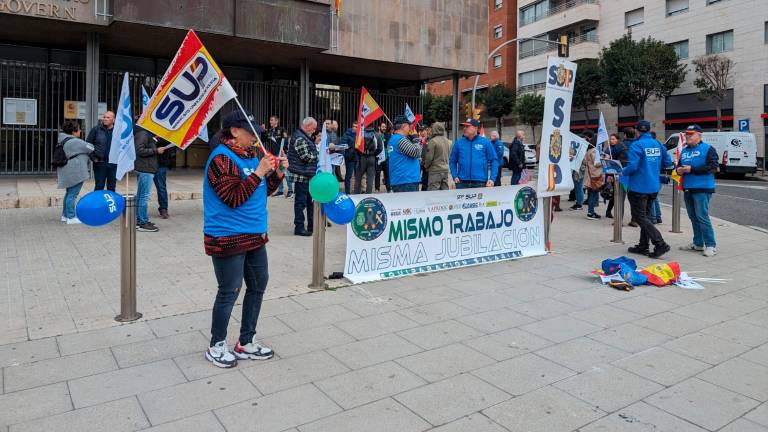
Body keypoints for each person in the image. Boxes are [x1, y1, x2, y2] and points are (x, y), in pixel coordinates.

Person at [203, 110, 287, 368]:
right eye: (251, 132)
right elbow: (233, 197)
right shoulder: (220, 158)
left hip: (255, 235)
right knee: (229, 290)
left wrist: (277, 174)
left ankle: (246, 341)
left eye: (257, 133)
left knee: (258, 285)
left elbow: (262, 191)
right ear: (234, 131)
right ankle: (217, 344)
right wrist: (260, 172)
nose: (256, 138)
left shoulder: (253, 155)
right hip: (228, 236)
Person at [622, 120, 674, 258]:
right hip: (653, 186)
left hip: (638, 186)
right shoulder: (657, 144)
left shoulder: (636, 145)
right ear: (649, 130)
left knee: (640, 217)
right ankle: (643, 245)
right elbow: (668, 163)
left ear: (637, 131)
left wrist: (622, 172)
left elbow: (633, 166)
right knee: (646, 217)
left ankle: (660, 243)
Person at [677, 124, 719, 257]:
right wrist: (678, 170)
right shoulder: (684, 150)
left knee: (702, 217)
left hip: (703, 188)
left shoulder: (708, 149)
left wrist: (692, 169)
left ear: (699, 135)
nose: (687, 136)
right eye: (686, 134)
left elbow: (713, 167)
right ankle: (698, 243)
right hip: (688, 187)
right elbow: (679, 166)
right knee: (693, 217)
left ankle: (711, 245)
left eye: (691, 134)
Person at [56, 120, 94, 224]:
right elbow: (90, 148)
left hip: (68, 171)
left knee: (68, 194)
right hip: (75, 172)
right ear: (73, 131)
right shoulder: (75, 141)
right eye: (78, 129)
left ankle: (65, 215)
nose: (80, 131)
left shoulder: (63, 140)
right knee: (73, 195)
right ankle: (71, 217)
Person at [287, 117, 319, 236]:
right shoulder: (300, 138)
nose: (314, 130)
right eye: (313, 128)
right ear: (307, 126)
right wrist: (318, 156)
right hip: (302, 175)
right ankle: (299, 227)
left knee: (309, 202)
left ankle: (311, 226)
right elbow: (305, 156)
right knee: (300, 203)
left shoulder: (304, 137)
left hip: (306, 174)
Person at [450, 119, 498, 189]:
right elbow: (452, 161)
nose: (464, 128)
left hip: (480, 182)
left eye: (467, 126)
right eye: (464, 126)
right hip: (462, 182)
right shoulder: (458, 143)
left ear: (475, 128)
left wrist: (492, 179)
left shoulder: (485, 142)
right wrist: (454, 175)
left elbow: (494, 160)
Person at [133, 125, 164, 232]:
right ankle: (142, 222)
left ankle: (140, 220)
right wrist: (156, 150)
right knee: (144, 196)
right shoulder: (143, 134)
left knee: (141, 195)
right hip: (145, 169)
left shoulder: (147, 135)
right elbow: (139, 150)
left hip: (146, 168)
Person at [387, 115, 422, 192]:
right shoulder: (400, 139)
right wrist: (416, 138)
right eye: (409, 126)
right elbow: (416, 152)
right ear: (404, 126)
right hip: (407, 181)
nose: (410, 128)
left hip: (401, 180)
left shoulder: (393, 139)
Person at [261, 115, 291, 197]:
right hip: (273, 154)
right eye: (270, 120)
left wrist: (283, 151)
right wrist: (263, 131)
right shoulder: (270, 131)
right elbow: (263, 140)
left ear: (276, 121)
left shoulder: (281, 130)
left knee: (284, 171)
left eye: (272, 120)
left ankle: (290, 191)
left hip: (280, 154)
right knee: (277, 171)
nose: (270, 122)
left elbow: (285, 140)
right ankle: (280, 190)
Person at [87, 111, 116, 191]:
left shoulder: (117, 131)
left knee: (112, 187)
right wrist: (94, 158)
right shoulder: (96, 130)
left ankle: (110, 203)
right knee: (99, 187)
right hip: (100, 163)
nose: (105, 119)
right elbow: (88, 145)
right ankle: (98, 203)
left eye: (108, 117)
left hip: (113, 164)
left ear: (113, 120)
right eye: (104, 117)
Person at [423, 122, 452, 190]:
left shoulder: (433, 141)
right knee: (444, 191)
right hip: (445, 169)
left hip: (435, 170)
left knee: (433, 192)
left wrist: (426, 166)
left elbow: (429, 158)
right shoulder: (448, 141)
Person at [354, 125, 382, 194]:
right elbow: (380, 148)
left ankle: (357, 194)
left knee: (358, 178)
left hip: (362, 158)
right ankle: (368, 194)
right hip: (372, 158)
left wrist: (360, 153)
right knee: (370, 178)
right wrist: (374, 154)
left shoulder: (360, 134)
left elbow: (356, 147)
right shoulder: (377, 135)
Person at [153, 136, 175, 219]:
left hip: (160, 164)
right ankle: (140, 211)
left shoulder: (165, 130)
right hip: (146, 163)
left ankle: (163, 209)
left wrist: (155, 140)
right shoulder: (147, 129)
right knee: (143, 190)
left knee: (161, 187)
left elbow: (168, 141)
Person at [583, 140, 605, 219]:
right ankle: (590, 213)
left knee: (592, 194)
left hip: (591, 175)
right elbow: (597, 163)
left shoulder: (589, 150)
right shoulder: (594, 151)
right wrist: (605, 159)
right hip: (595, 176)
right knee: (593, 194)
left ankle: (591, 211)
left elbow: (585, 162)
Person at [605, 133, 624, 218]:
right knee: (613, 193)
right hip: (611, 174)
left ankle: (611, 212)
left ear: (617, 140)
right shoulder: (608, 149)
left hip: (620, 173)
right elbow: (606, 162)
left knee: (619, 194)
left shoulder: (620, 148)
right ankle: (608, 211)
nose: (611, 141)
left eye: (613, 139)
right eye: (610, 139)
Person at [339, 122, 358, 193]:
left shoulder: (359, 135)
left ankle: (356, 191)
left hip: (357, 157)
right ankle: (347, 192)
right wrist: (350, 147)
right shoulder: (347, 134)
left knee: (358, 176)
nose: (355, 128)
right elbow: (342, 145)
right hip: (350, 158)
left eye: (356, 127)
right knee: (349, 175)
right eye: (354, 126)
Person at [375, 121, 390, 192]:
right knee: (377, 174)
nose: (384, 128)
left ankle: (388, 189)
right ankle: (377, 188)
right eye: (383, 127)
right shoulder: (376, 136)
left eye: (385, 127)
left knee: (387, 174)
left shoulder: (387, 135)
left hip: (386, 158)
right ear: (379, 127)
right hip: (378, 158)